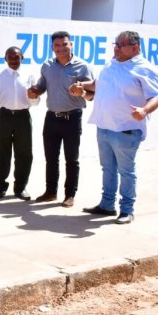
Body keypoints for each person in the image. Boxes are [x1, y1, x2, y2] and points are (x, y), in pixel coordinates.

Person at [70, 31, 158, 224]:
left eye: (121, 45)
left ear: (135, 47)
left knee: (126, 171)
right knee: (108, 168)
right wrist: (81, 85)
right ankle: (107, 205)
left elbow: (157, 96)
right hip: (104, 126)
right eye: (116, 44)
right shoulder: (111, 63)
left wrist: (144, 110)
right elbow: (98, 84)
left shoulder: (144, 68)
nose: (116, 48)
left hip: (126, 129)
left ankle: (127, 210)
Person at [28, 31, 94, 208]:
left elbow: (92, 94)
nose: (61, 48)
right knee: (51, 158)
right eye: (57, 45)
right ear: (52, 47)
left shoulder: (82, 66)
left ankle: (69, 194)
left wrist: (82, 92)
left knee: (71, 159)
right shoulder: (48, 65)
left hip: (72, 117)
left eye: (64, 44)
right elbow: (42, 86)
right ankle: (50, 192)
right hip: (51, 117)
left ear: (71, 44)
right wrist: (36, 90)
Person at [0, 47, 39, 200]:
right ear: (5, 59)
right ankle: (0, 186)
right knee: (1, 152)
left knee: (24, 153)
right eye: (10, 58)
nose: (14, 60)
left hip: (23, 116)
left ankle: (20, 187)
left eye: (16, 57)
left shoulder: (29, 75)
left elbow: (34, 101)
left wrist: (34, 96)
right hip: (4, 116)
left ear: (22, 57)